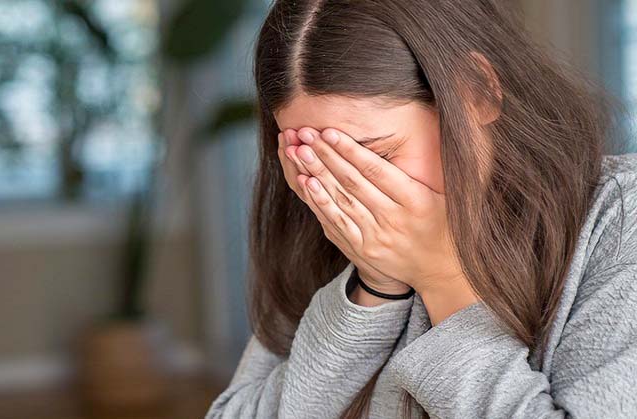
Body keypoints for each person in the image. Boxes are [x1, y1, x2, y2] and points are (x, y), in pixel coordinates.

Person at [204, 0, 637, 418]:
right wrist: (373, 287)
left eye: (377, 156)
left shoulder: (619, 219)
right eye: (314, 163)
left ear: (478, 92)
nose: (346, 192)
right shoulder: (323, 230)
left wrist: (442, 280)